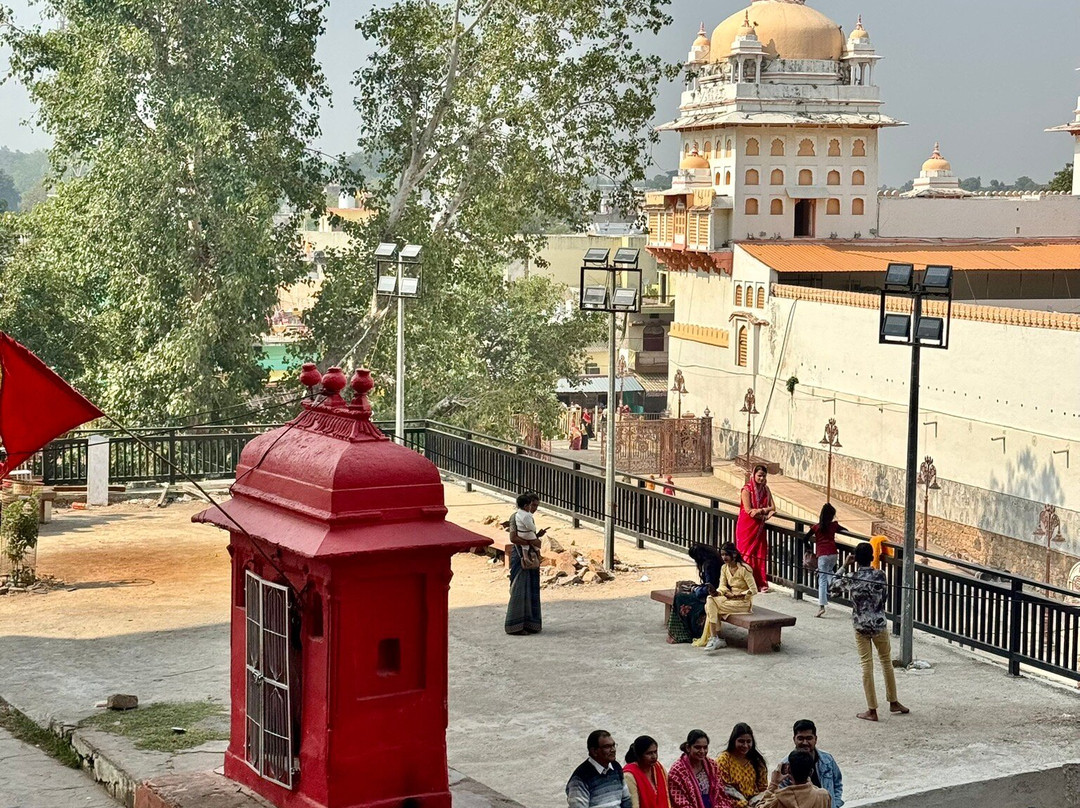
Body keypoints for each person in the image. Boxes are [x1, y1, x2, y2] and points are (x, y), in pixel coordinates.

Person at [841, 542, 910, 721]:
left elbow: (832, 586)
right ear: (872, 557)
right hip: (879, 623)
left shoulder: (852, 577)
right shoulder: (880, 575)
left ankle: (872, 709)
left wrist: (844, 565)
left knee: (867, 665)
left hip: (860, 625)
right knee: (886, 662)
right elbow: (884, 597)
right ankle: (893, 700)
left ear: (855, 558)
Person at [696, 543, 757, 651]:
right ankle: (715, 637)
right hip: (729, 600)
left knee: (710, 606)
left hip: (743, 603)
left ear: (734, 554)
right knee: (710, 599)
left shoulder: (744, 569)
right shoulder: (724, 568)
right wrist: (716, 593)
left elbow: (753, 590)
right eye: (722, 555)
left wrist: (736, 595)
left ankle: (715, 638)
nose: (724, 558)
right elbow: (722, 586)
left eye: (726, 555)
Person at [774, 721, 842, 808]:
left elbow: (837, 783)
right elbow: (782, 795)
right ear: (794, 739)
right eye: (800, 738)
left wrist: (835, 804)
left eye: (809, 738)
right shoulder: (786, 766)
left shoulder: (827, 759)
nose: (805, 742)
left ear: (815, 739)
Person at [504, 492, 546, 635]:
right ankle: (515, 626)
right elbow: (513, 538)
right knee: (519, 589)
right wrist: (531, 542)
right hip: (520, 556)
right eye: (533, 505)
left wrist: (536, 537)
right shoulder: (516, 517)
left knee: (531, 589)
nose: (534, 508)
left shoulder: (528, 516)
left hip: (531, 555)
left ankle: (531, 624)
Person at [668, 544, 723, 644]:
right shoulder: (713, 561)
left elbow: (710, 587)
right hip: (711, 594)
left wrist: (696, 589)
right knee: (682, 589)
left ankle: (686, 631)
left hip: (710, 597)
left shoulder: (709, 565)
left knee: (679, 597)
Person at [567, 730, 632, 808]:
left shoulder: (616, 767)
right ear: (594, 751)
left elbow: (626, 800)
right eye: (607, 747)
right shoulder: (580, 778)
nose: (613, 750)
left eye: (613, 745)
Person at [736, 465, 775, 592]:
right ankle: (743, 582)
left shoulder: (766, 489)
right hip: (747, 526)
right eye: (759, 475)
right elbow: (748, 510)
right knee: (745, 553)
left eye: (764, 476)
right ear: (754, 475)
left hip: (759, 526)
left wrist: (761, 510)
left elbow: (773, 507)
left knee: (760, 553)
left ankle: (759, 582)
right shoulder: (746, 490)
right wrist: (762, 512)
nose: (761, 478)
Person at [805, 503, 845, 618]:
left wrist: (808, 548)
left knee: (822, 580)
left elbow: (805, 538)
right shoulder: (833, 526)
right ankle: (835, 588)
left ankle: (821, 606)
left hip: (822, 555)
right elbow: (843, 529)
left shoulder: (816, 527)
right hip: (833, 554)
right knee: (829, 572)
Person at [715, 723, 768, 807]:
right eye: (741, 741)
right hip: (732, 803)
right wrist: (742, 804)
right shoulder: (723, 760)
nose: (745, 745)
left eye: (748, 741)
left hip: (755, 802)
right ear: (734, 740)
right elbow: (722, 788)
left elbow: (763, 788)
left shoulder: (757, 761)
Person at [668, 730, 725, 808]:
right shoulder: (677, 771)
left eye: (705, 747)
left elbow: (720, 795)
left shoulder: (712, 766)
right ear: (688, 747)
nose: (702, 751)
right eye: (697, 747)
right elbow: (680, 802)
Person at [759, 751, 830, 808]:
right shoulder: (823, 796)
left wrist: (774, 784)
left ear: (789, 769)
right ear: (811, 772)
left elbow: (761, 805)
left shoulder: (780, 799)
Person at [623, 735, 671, 808]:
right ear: (639, 755)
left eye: (655, 752)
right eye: (649, 753)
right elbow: (634, 805)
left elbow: (668, 797)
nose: (654, 756)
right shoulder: (629, 776)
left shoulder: (659, 768)